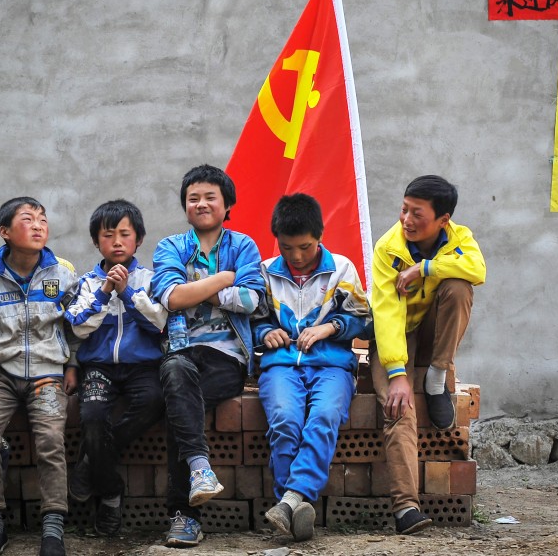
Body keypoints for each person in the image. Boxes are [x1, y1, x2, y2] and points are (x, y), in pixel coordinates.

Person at [151, 165, 265, 547]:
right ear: (185, 205)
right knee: (178, 377)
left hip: (226, 357)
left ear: (227, 203)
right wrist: (224, 279)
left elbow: (252, 300)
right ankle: (200, 469)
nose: (200, 204)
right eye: (193, 198)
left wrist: (196, 289)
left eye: (209, 196)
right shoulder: (170, 247)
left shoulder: (243, 246)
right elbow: (170, 297)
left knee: (177, 402)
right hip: (181, 353)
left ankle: (184, 517)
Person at [370, 175, 486, 534]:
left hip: (432, 330)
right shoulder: (388, 248)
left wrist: (427, 268)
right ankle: (406, 507)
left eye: (417, 213)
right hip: (396, 334)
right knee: (397, 407)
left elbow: (477, 270)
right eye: (404, 209)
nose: (406, 220)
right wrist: (397, 374)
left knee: (458, 287)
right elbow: (386, 313)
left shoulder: (460, 239)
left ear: (443, 220)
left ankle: (437, 376)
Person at [253, 194, 372, 542]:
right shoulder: (265, 272)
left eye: (305, 246)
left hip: (333, 367)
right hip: (280, 367)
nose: (297, 256)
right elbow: (253, 321)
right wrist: (267, 331)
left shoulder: (343, 270)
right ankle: (296, 506)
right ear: (277, 241)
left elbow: (364, 321)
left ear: (320, 236)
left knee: (323, 418)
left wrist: (330, 328)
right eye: (287, 248)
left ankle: (287, 502)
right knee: (285, 422)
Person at [0, 197, 80, 556]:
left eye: (42, 220)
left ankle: (53, 528)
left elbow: (74, 326)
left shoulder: (63, 271)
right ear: (5, 231)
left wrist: (73, 365)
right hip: (1, 375)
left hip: (48, 373)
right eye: (27, 219)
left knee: (50, 438)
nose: (38, 226)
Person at [65, 199, 167, 536]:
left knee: (155, 401)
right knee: (92, 415)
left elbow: (159, 323)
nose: (118, 242)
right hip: (98, 368)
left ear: (139, 239)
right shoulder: (86, 283)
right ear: (97, 242)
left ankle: (90, 462)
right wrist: (106, 290)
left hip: (142, 368)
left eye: (126, 234)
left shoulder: (152, 279)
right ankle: (110, 494)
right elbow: (77, 327)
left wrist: (127, 292)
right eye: (109, 236)